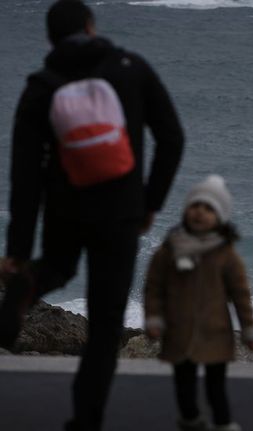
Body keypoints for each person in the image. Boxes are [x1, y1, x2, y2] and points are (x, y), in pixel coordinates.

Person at [0, 1, 184, 430]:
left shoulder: (41, 86)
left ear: (50, 39)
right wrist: (149, 202)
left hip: (66, 209)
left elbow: (24, 177)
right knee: (105, 323)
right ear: (91, 26)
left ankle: (31, 281)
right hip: (120, 213)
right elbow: (172, 138)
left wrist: (18, 251)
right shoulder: (130, 69)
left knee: (58, 267)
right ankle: (86, 419)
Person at [144, 174, 253, 431]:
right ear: (186, 210)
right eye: (195, 205)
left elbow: (241, 296)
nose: (200, 212)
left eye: (209, 208)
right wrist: (153, 318)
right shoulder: (169, 249)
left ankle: (222, 423)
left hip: (214, 333)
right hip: (178, 331)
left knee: (215, 385)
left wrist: (250, 329)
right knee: (183, 383)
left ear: (219, 218)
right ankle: (189, 420)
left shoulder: (226, 255)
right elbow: (154, 288)